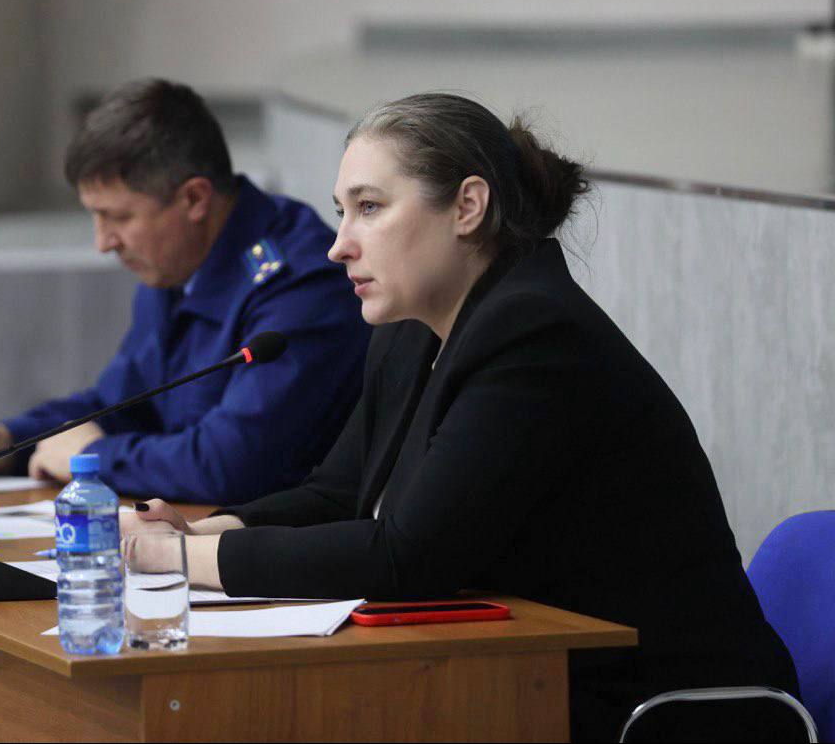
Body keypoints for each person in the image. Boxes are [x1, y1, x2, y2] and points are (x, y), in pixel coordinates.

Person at [126, 93, 799, 740]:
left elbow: (405, 557)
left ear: (468, 207)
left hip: (657, 709)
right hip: (522, 680)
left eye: (369, 207)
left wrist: (182, 559)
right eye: (341, 212)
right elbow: (337, 493)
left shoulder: (535, 333)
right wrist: (200, 528)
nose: (340, 245)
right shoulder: (411, 329)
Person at [0, 78, 369, 504]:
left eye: (119, 217)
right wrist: (6, 442)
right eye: (95, 216)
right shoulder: (177, 265)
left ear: (194, 199)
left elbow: (233, 462)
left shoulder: (300, 285)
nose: (103, 242)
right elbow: (122, 405)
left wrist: (93, 459)